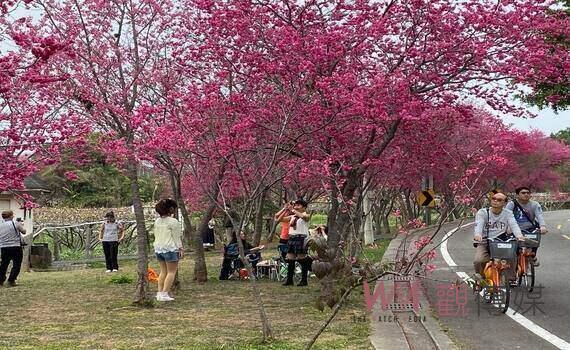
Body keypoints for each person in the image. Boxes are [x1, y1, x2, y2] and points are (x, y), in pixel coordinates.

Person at [473, 192, 525, 283]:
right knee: (479, 260)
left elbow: (514, 225)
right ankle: (480, 277)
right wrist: (478, 234)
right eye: (493, 198)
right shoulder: (483, 212)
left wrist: (519, 236)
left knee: (511, 255)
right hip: (485, 241)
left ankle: (511, 279)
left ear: (504, 203)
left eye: (499, 200)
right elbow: (479, 224)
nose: (495, 201)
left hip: (501, 241)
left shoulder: (508, 213)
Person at [505, 186, 547, 267]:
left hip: (529, 228)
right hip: (514, 229)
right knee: (515, 249)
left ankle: (533, 255)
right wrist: (508, 227)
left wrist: (543, 226)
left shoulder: (534, 204)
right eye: (523, 193)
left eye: (528, 193)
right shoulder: (511, 204)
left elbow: (539, 216)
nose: (526, 194)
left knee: (535, 240)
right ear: (517, 195)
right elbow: (506, 216)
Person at [153, 199, 184, 302]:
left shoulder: (157, 221)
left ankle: (160, 293)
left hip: (159, 248)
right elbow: (176, 237)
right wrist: (180, 248)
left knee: (163, 272)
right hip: (170, 248)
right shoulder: (173, 222)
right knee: (171, 272)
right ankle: (165, 293)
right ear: (171, 209)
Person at [283, 199, 311, 287]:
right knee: (290, 259)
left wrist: (293, 210)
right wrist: (285, 209)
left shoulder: (306, 215)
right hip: (292, 238)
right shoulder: (293, 216)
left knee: (301, 259)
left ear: (304, 207)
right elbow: (279, 219)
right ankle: (289, 280)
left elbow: (304, 218)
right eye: (295, 205)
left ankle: (304, 280)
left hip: (301, 238)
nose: (296, 206)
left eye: (298, 205)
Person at [0, 210, 27, 287]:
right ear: (11, 216)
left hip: (4, 247)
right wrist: (21, 225)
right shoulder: (16, 223)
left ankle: (1, 280)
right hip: (15, 246)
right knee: (17, 264)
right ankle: (11, 280)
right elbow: (24, 232)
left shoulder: (1, 225)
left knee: (4, 264)